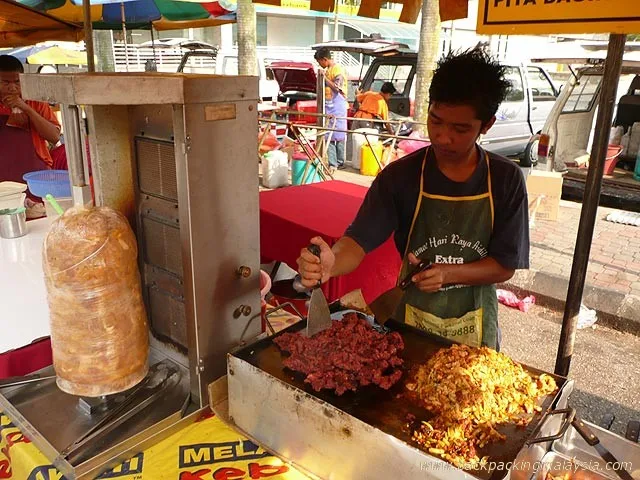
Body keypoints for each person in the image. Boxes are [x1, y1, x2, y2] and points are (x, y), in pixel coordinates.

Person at [296, 49, 529, 350]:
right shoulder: (400, 176)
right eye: (436, 120)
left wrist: (448, 274)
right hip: (411, 323)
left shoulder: (505, 179)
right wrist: (332, 263)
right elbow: (358, 240)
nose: (443, 137)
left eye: (460, 129)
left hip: (476, 329)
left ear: (486, 125)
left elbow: (504, 265)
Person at [0, 55, 61, 190]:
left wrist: (27, 109)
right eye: (5, 82)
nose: (12, 88)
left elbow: (54, 137)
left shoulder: (36, 101)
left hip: (36, 175)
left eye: (17, 82)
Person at [314, 47, 348, 171]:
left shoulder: (337, 69)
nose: (320, 65)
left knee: (339, 134)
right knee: (329, 135)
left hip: (338, 106)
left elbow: (337, 87)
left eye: (320, 62)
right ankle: (333, 163)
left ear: (325, 59)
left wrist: (324, 78)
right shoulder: (328, 70)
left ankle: (339, 162)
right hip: (329, 106)